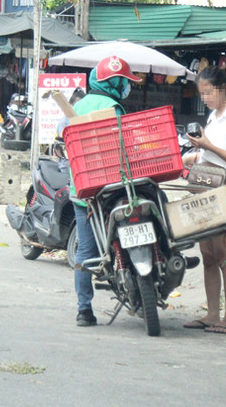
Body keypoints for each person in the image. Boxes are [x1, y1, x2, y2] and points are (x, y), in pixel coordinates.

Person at [67, 55, 141, 327]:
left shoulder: (77, 106)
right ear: (115, 82)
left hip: (83, 190)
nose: (127, 87)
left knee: (85, 251)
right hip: (112, 187)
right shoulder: (113, 107)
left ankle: (83, 309)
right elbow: (123, 147)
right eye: (125, 82)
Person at [182, 65, 226, 335]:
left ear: (222, 90)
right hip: (205, 186)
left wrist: (207, 146)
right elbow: (209, 155)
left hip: (225, 189)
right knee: (208, 255)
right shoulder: (213, 117)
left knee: (225, 257)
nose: (205, 98)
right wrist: (195, 154)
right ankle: (212, 314)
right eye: (202, 94)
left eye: (208, 93)